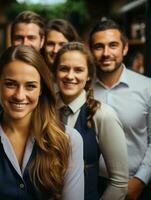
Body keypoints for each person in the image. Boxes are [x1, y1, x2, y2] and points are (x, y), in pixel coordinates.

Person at [0, 45, 84, 200]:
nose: (19, 95)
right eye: (10, 84)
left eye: (30, 86)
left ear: (41, 89)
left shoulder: (69, 140)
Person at [89, 19, 151, 200]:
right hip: (91, 184)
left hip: (136, 185)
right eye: (99, 46)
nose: (106, 53)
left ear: (124, 49)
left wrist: (140, 181)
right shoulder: (82, 89)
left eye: (113, 45)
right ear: (91, 51)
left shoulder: (148, 88)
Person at [54, 42, 128, 200]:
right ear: (55, 72)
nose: (70, 76)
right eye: (64, 68)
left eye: (78, 70)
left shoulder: (102, 115)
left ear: (88, 75)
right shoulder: (43, 110)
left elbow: (119, 183)